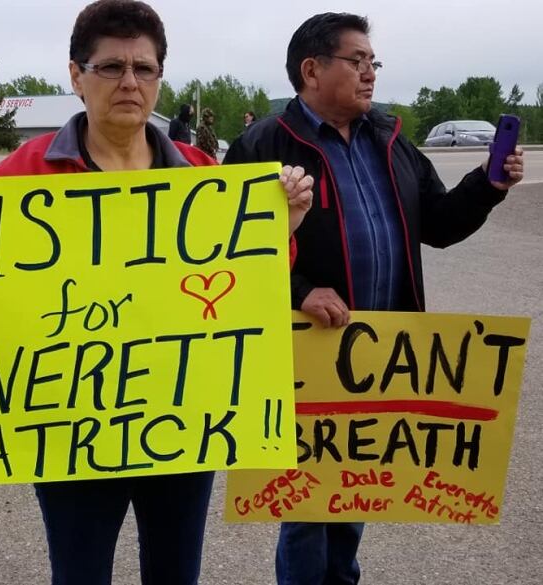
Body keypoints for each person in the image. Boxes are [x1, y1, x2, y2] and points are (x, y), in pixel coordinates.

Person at [0, 1, 314, 583]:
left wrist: (285, 225)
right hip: (71, 431)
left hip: (182, 418)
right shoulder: (26, 170)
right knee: (78, 573)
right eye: (110, 67)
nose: (129, 82)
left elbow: (254, 281)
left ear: (158, 79)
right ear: (76, 75)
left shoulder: (202, 175)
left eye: (144, 69)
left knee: (176, 573)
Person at [224, 11, 524, 585]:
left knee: (356, 494)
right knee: (308, 506)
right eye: (357, 61)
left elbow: (437, 223)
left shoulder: (390, 138)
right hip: (304, 358)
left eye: (373, 62)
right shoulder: (262, 144)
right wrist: (301, 290)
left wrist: (486, 186)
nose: (370, 74)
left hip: (382, 356)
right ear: (312, 70)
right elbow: (229, 252)